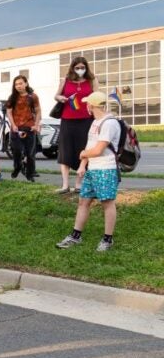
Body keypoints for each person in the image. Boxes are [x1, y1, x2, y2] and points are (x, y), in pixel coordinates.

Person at [55, 91, 120, 252]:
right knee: (84, 201)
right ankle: (76, 236)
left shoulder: (110, 123)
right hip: (93, 169)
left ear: (93, 105)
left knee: (107, 203)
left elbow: (98, 150)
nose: (86, 106)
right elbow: (90, 146)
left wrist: (83, 155)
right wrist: (83, 164)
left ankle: (107, 240)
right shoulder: (95, 123)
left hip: (106, 169)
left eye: (88, 103)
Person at [54, 56, 98, 193]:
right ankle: (65, 185)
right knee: (65, 151)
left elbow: (97, 97)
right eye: (77, 68)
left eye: (82, 67)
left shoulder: (92, 80)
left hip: (86, 120)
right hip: (67, 119)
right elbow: (56, 95)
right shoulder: (65, 81)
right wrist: (60, 97)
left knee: (83, 151)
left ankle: (78, 184)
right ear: (73, 68)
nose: (80, 70)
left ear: (86, 68)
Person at [5, 75, 42, 182]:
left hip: (30, 128)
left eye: (21, 83)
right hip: (16, 128)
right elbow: (9, 112)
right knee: (16, 151)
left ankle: (29, 174)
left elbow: (38, 110)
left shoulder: (33, 96)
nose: (18, 86)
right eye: (16, 84)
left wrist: (36, 124)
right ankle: (17, 167)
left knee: (30, 153)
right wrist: (13, 124)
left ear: (26, 83)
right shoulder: (12, 97)